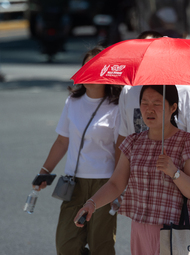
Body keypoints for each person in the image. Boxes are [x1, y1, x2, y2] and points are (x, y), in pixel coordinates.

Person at [74, 85, 190, 255]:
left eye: (157, 103)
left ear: (173, 107)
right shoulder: (133, 142)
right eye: (144, 103)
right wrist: (91, 204)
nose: (149, 109)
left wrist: (174, 172)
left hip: (175, 230)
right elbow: (116, 184)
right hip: (139, 230)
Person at [36, 46, 122, 255]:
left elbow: (121, 150)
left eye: (97, 67)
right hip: (72, 183)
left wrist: (120, 188)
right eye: (87, 67)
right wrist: (44, 171)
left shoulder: (117, 107)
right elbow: (62, 142)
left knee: (100, 245)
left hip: (104, 183)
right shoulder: (72, 102)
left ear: (107, 74)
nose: (89, 71)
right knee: (66, 245)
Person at [115, 31, 190, 201]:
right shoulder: (129, 91)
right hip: (142, 183)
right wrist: (118, 183)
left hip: (180, 179)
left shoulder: (184, 90)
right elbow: (123, 137)